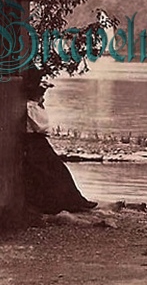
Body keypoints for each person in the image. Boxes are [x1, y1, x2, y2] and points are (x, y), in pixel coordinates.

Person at [22, 83, 96, 214]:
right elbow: (41, 127)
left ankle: (74, 200)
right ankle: (63, 203)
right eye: (41, 94)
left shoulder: (33, 107)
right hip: (33, 142)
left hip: (38, 141)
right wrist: (40, 107)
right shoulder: (31, 107)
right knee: (50, 171)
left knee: (59, 169)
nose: (42, 97)